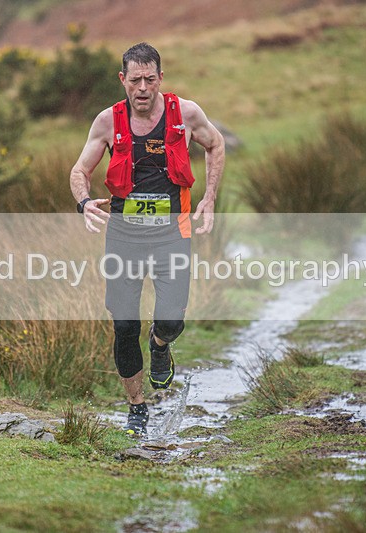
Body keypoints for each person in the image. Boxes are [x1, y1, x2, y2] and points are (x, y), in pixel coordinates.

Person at [69, 42, 225, 436]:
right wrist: (84, 202)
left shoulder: (185, 113)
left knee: (171, 318)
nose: (142, 88)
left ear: (160, 79)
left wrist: (208, 199)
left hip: (173, 233)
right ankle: (136, 407)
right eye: (134, 80)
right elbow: (79, 170)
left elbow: (216, 144)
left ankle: (159, 344)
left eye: (149, 79)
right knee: (123, 325)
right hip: (123, 236)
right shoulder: (108, 121)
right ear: (123, 80)